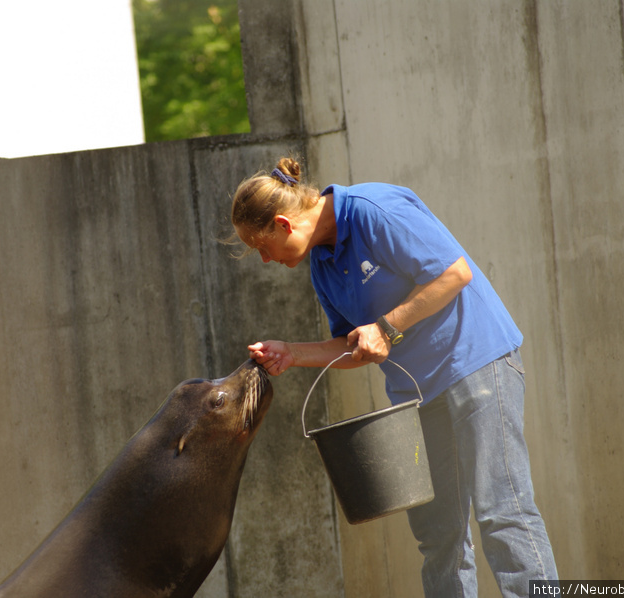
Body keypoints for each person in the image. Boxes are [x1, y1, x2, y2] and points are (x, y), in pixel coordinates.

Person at [230, 157, 558, 597]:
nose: (266, 260)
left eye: (262, 248)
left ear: (284, 224)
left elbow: (454, 274)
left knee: (504, 510)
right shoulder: (322, 265)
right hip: (418, 393)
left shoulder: (374, 209)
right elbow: (358, 346)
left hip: (476, 364)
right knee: (438, 534)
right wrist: (292, 354)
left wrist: (386, 326)